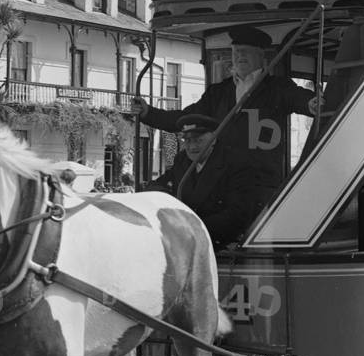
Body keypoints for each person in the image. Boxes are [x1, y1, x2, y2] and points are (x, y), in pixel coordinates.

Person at [132, 26, 317, 198]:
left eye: (246, 51)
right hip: (223, 180)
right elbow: (185, 118)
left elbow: (297, 97)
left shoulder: (277, 88)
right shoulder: (218, 92)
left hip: (261, 182)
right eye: (236, 52)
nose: (240, 56)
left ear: (262, 57)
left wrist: (311, 103)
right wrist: (148, 113)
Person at [147, 114, 260, 247]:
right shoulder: (182, 160)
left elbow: (238, 214)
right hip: (184, 240)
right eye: (187, 141)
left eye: (198, 140)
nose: (192, 147)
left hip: (219, 243)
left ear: (213, 139)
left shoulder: (236, 163)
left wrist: (192, 226)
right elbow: (157, 186)